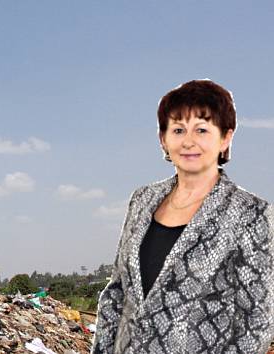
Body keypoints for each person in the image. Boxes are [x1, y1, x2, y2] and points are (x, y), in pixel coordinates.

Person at [92, 80, 274, 353]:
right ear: (163, 139)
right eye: (178, 129)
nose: (189, 141)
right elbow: (117, 294)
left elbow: (258, 321)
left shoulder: (250, 213)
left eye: (202, 129)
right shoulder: (142, 200)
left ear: (225, 137)